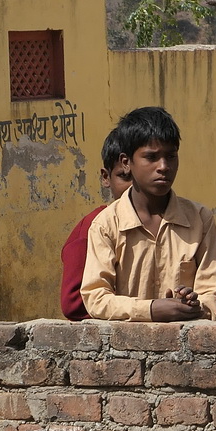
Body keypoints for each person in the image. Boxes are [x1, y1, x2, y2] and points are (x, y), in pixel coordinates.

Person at [80, 107, 216, 321]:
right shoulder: (106, 225)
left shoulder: (200, 218)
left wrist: (195, 305)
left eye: (171, 156)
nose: (163, 167)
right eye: (151, 157)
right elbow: (96, 297)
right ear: (126, 162)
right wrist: (150, 309)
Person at [59, 129, 133, 320]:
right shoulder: (92, 227)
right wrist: (144, 310)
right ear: (106, 177)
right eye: (124, 177)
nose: (135, 187)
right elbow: (73, 304)